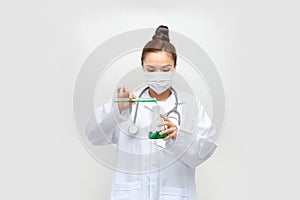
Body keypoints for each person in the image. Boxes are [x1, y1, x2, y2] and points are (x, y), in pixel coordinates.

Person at [85, 25, 218, 200]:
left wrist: (179, 137)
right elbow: (93, 135)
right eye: (151, 69)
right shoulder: (127, 104)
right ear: (142, 66)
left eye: (165, 70)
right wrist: (116, 110)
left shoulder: (191, 106)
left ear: (175, 66)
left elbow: (206, 151)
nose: (158, 75)